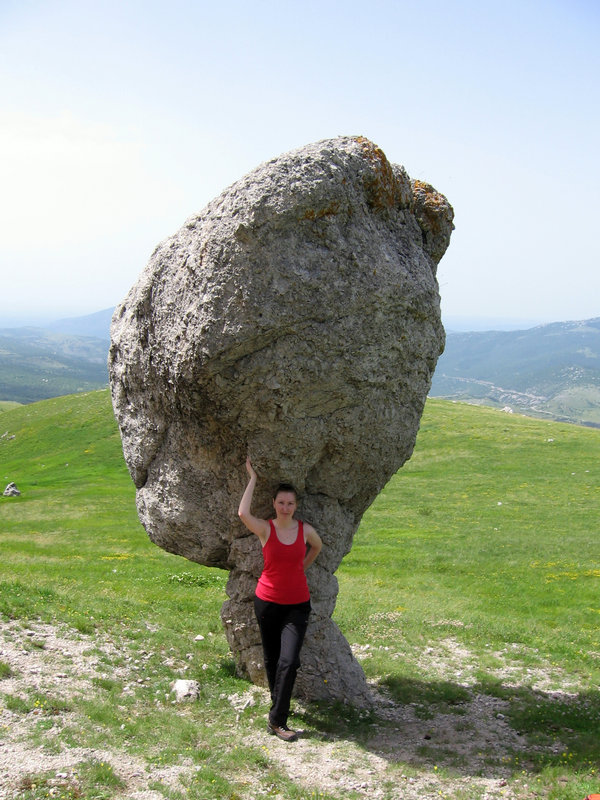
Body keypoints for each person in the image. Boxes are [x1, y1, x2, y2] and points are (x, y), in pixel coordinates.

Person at [238, 457, 322, 742]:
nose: (286, 507)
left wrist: (301, 568)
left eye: (290, 503)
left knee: (289, 661)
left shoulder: (305, 530)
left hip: (297, 606)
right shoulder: (266, 529)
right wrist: (252, 478)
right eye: (281, 502)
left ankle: (277, 720)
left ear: (296, 506)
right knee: (272, 659)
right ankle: (278, 709)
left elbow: (317, 547)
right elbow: (242, 513)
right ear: (274, 503)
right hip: (267, 603)